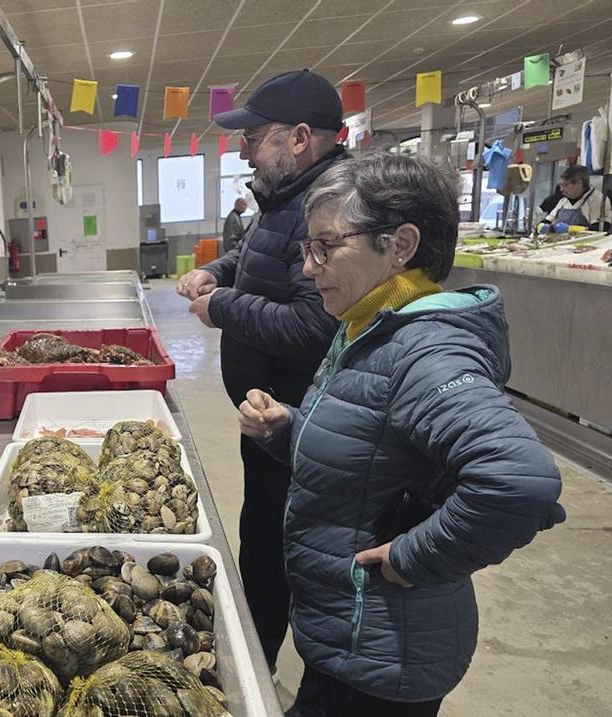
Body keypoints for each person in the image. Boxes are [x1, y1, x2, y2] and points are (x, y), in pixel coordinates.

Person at [238, 153, 565, 716]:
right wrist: (287, 429)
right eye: (306, 248)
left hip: (382, 654)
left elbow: (520, 483)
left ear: (401, 245)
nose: (310, 267)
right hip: (347, 638)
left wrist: (410, 559)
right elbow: (368, 458)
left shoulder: (426, 350)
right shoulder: (370, 327)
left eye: (326, 246)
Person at [175, 69, 344, 671]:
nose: (241, 146)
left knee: (282, 556)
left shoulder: (329, 207)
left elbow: (313, 325)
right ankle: (259, 652)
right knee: (262, 545)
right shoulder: (285, 199)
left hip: (300, 424)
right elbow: (254, 254)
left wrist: (221, 307)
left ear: (299, 138)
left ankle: (258, 670)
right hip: (266, 422)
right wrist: (218, 272)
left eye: (254, 136)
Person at [542, 165, 612, 231]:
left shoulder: (597, 200)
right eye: (560, 186)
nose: (561, 189)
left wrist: (571, 229)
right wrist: (542, 226)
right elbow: (548, 220)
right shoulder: (563, 201)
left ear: (578, 184)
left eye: (565, 185)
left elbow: (600, 230)